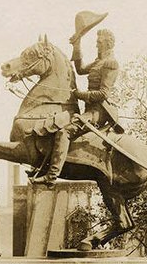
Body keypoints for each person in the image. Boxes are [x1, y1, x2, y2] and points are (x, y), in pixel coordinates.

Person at [29, 15, 122, 185]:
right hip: (90, 110)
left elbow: (103, 94)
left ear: (108, 43)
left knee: (65, 131)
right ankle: (43, 165)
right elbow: (79, 69)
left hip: (98, 112)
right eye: (97, 42)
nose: (97, 44)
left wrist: (79, 94)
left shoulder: (110, 63)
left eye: (99, 42)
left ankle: (52, 175)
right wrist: (77, 44)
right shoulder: (99, 62)